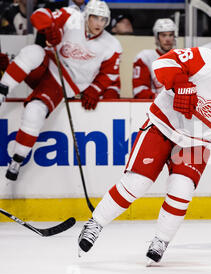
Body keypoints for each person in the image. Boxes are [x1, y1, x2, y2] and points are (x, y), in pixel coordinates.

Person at [78, 30, 211, 265]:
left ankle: (161, 240)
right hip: (163, 125)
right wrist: (180, 83)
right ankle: (95, 223)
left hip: (197, 140)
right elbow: (164, 62)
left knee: (182, 190)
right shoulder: (206, 60)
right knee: (137, 183)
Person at [0, 0, 122, 181]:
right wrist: (49, 29)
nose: (98, 23)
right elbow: (39, 16)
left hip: (64, 84)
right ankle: (2, 92)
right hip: (49, 63)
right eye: (95, 17)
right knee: (32, 51)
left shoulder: (112, 46)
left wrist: (94, 89)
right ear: (86, 16)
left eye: (103, 19)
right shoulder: (71, 17)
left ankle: (17, 161)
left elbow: (109, 74)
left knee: (35, 111)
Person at [132, 18, 177, 99]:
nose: (167, 39)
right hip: (153, 106)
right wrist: (161, 99)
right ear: (156, 37)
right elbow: (139, 90)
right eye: (163, 35)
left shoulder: (182, 58)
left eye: (170, 35)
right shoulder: (145, 57)